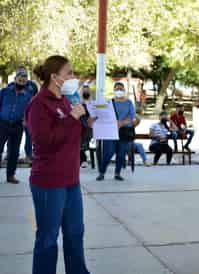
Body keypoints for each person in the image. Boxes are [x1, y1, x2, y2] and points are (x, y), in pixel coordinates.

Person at [27, 55, 94, 274]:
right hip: (49, 182)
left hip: (70, 179)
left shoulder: (66, 100)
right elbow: (45, 143)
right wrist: (71, 120)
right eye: (69, 73)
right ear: (54, 77)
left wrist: (87, 124)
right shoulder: (38, 105)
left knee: (75, 233)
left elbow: (74, 137)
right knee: (48, 238)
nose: (74, 78)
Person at [96, 82, 137, 181]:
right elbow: (103, 116)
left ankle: (117, 173)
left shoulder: (129, 102)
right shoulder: (109, 102)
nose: (119, 91)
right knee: (108, 152)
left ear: (124, 90)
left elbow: (132, 116)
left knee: (121, 153)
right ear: (114, 91)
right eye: (117, 89)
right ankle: (102, 172)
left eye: (121, 89)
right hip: (110, 131)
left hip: (124, 131)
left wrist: (121, 123)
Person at [0, 67, 32, 183]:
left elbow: (29, 111)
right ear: (15, 79)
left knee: (14, 152)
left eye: (24, 81)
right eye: (20, 79)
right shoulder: (4, 91)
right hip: (2, 124)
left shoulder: (28, 96)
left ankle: (10, 175)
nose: (22, 82)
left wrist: (26, 120)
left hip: (17, 126)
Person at [6, 67, 39, 163]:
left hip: (29, 115)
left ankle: (29, 155)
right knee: (11, 135)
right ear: (16, 75)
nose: (23, 76)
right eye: (20, 74)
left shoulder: (32, 85)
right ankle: (9, 154)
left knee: (29, 135)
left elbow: (36, 98)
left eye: (25, 74)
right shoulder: (11, 86)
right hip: (15, 116)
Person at [80, 84, 92, 168]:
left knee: (86, 132)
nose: (86, 91)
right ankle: (83, 159)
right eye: (84, 90)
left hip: (89, 127)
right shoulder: (79, 103)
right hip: (81, 126)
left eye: (87, 90)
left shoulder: (92, 103)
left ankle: (83, 159)